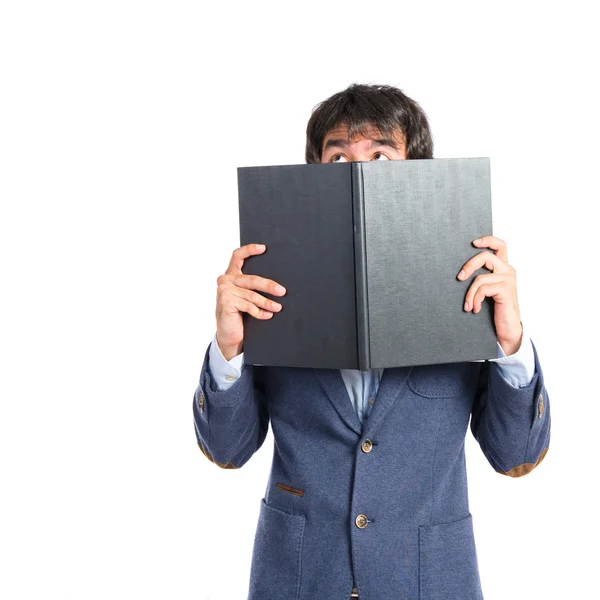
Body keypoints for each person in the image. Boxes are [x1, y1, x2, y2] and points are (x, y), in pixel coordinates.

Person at [192, 83, 550, 600]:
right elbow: (227, 450)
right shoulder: (278, 284)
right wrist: (229, 351)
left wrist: (511, 344)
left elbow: (515, 456)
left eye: (381, 155)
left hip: (428, 581)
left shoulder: (460, 283)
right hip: (299, 580)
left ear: (417, 171)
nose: (356, 171)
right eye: (336, 156)